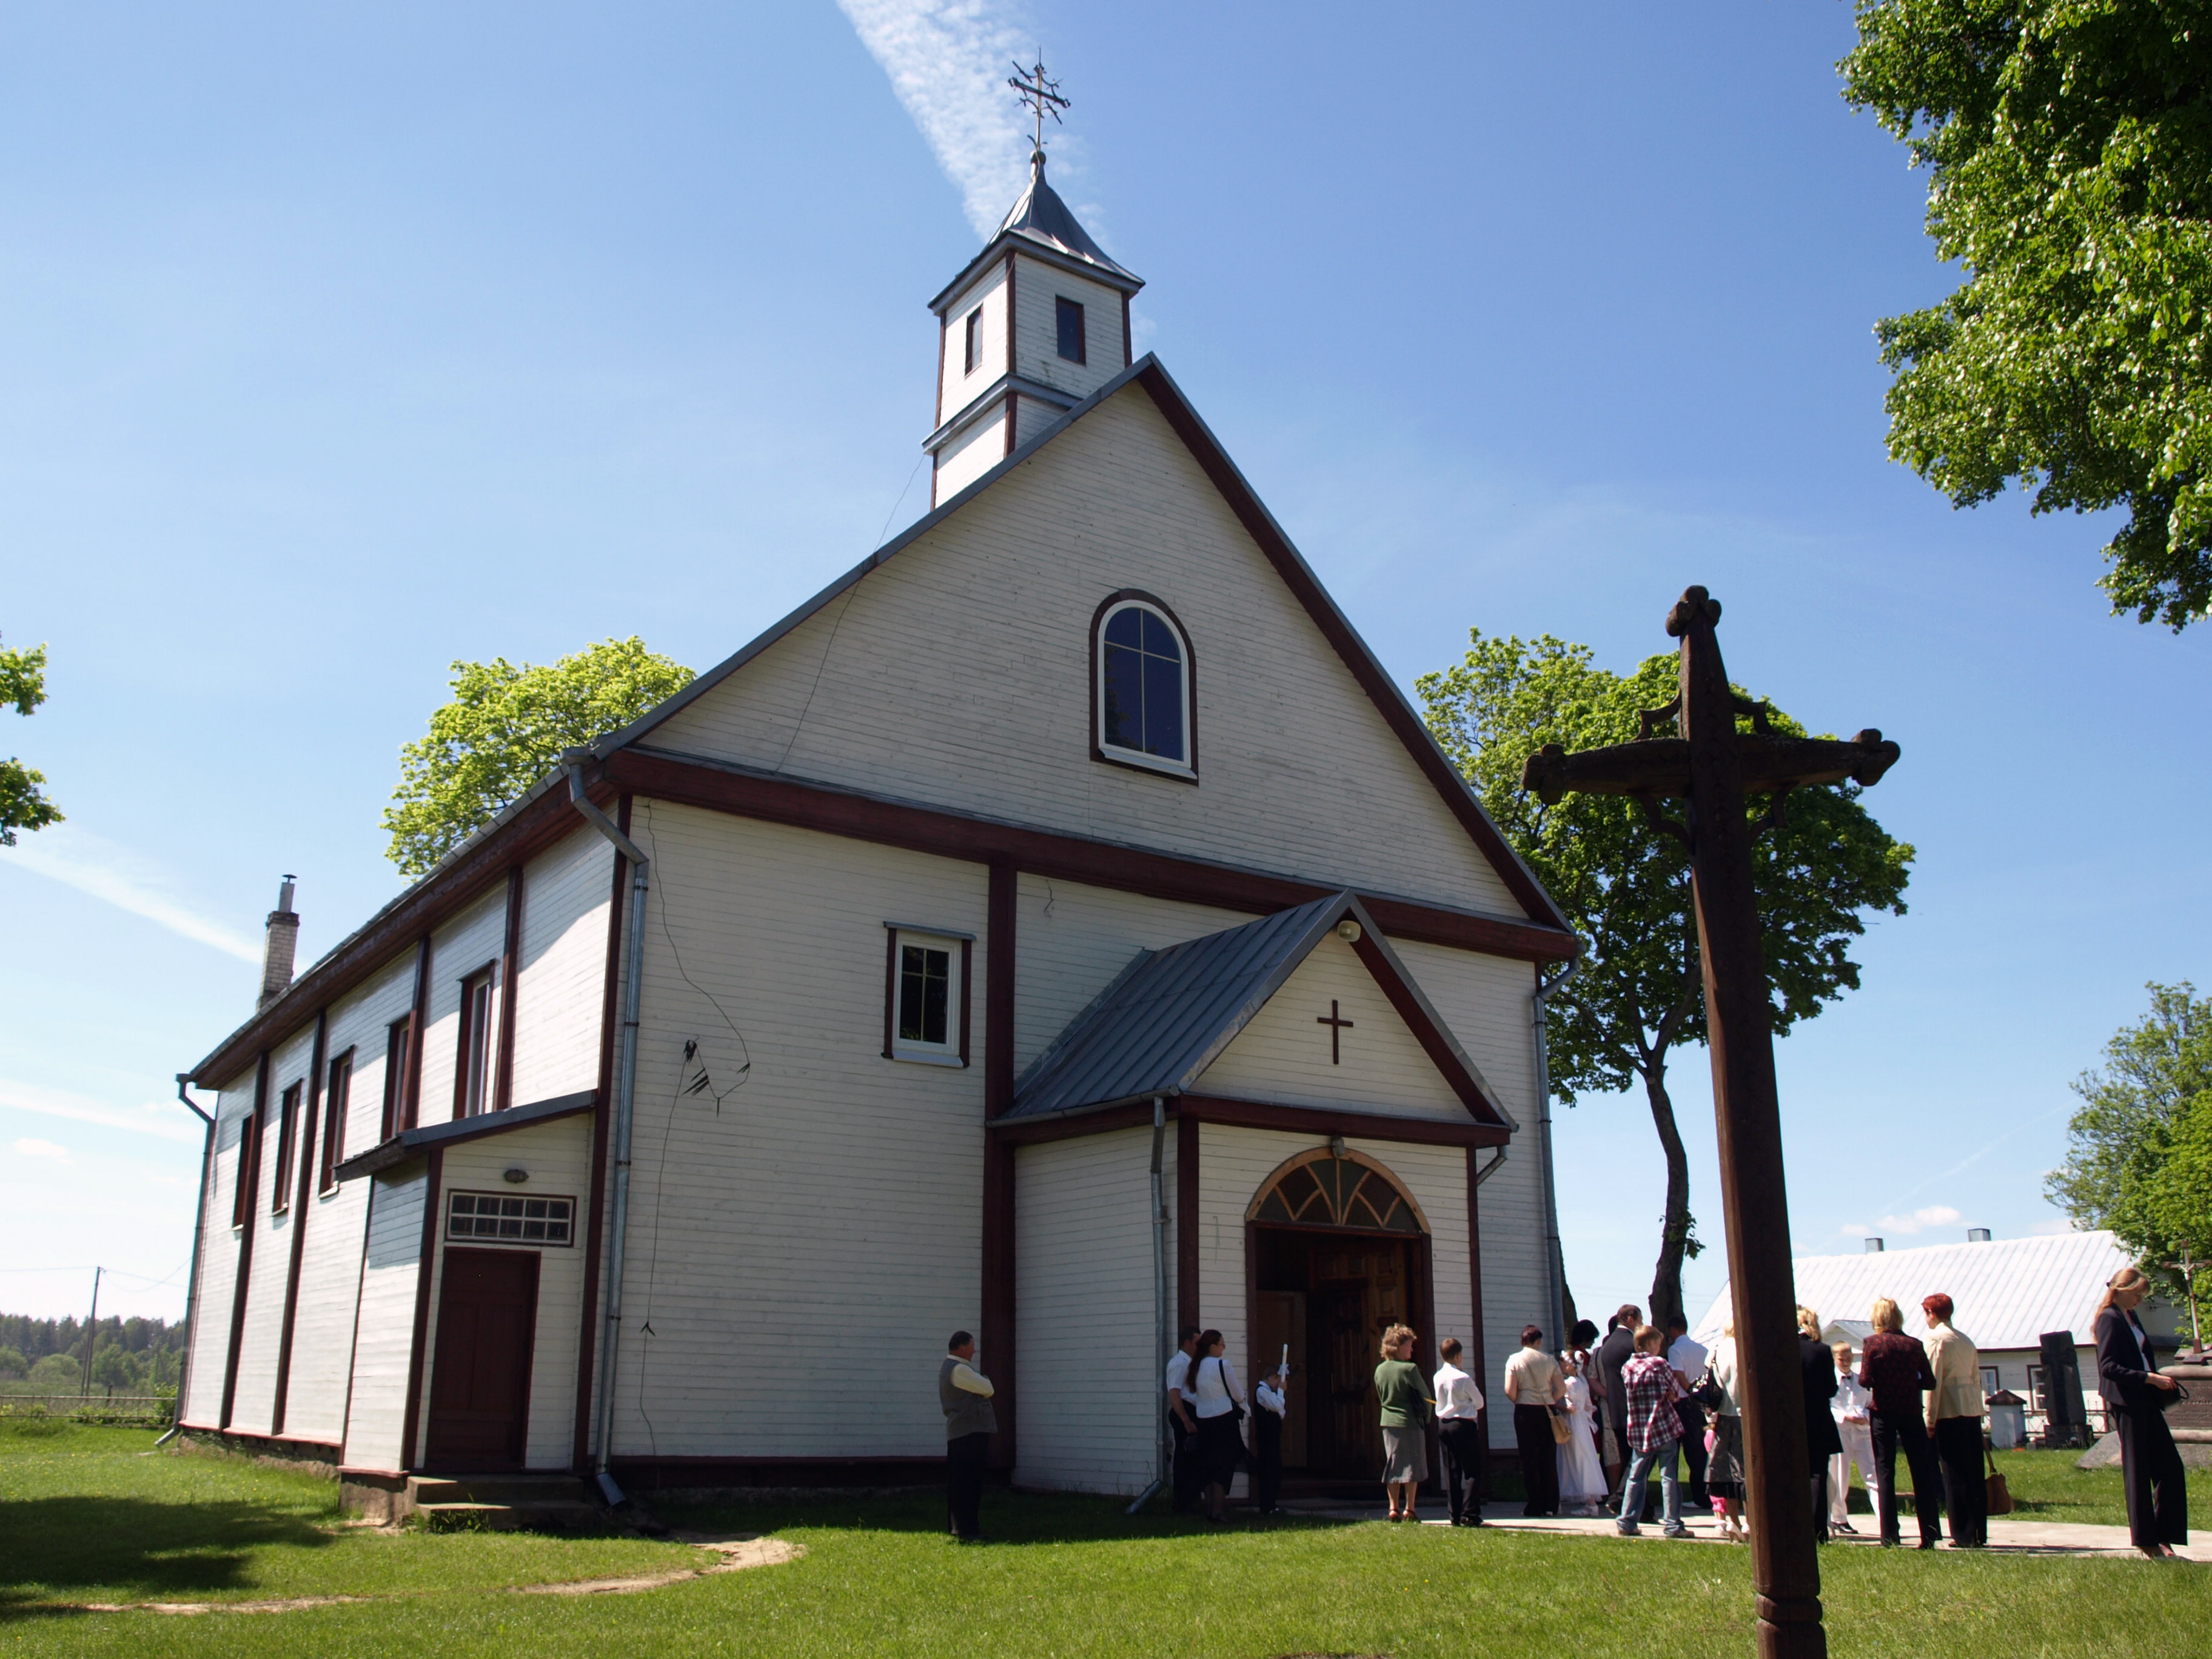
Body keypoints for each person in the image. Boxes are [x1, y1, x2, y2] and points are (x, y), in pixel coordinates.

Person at [2094, 1265, 2190, 1559]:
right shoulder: (2109, 1319)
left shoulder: (2131, 1317)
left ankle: (2166, 1535)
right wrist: (2149, 1378)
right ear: (2121, 1290)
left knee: (2170, 1468)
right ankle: (2147, 1540)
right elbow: (2108, 1367)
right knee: (2138, 1470)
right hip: (2127, 1402)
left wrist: (2155, 1380)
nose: (2139, 1300)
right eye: (2136, 1294)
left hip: (2147, 1400)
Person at [1860, 1296, 1943, 1548]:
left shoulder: (1873, 1344)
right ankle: (1929, 1533)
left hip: (1883, 1412)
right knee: (1922, 1471)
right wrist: (1910, 1382)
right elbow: (1929, 1382)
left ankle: (1890, 1536)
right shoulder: (1914, 1345)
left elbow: (1864, 1379)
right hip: (1910, 1411)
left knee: (1885, 1472)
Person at [1922, 1293, 1987, 1549]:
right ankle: (1978, 1530)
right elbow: (1976, 1376)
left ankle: (1962, 1533)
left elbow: (1932, 1381)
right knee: (1973, 1472)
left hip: (1949, 1409)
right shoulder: (1965, 1339)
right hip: (1971, 1407)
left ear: (1931, 1313)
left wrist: (1929, 1417)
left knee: (1954, 1474)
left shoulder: (1935, 1339)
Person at [1614, 1324, 1691, 1538]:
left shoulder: (1627, 1367)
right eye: (1658, 1343)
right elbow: (1674, 1392)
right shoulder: (1660, 1364)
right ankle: (1673, 1524)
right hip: (1662, 1425)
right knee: (1669, 1477)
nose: (1660, 1347)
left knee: (1636, 1476)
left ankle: (1627, 1521)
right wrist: (1668, 1395)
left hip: (1639, 1429)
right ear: (1650, 1344)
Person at [940, 1330, 996, 1544]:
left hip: (961, 1433)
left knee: (960, 1483)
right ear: (962, 1348)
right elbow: (989, 1389)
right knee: (969, 1483)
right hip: (969, 1433)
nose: (974, 1350)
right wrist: (985, 1379)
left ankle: (959, 1527)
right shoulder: (960, 1369)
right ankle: (968, 1530)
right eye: (972, 1346)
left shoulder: (951, 1368)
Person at [1504, 1323, 1563, 1517]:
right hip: (1546, 1410)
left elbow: (1509, 1390)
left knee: (1529, 1458)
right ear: (1538, 1341)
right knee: (1548, 1457)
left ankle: (1534, 1504)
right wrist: (1549, 1401)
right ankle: (1551, 1504)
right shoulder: (1549, 1360)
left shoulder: (1514, 1360)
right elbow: (1561, 1389)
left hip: (1524, 1411)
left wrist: (1519, 1400)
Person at [1188, 1329, 1246, 1524]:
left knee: (1208, 1464)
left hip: (1203, 1418)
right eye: (1222, 1344)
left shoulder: (1196, 1366)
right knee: (1223, 1465)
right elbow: (1237, 1395)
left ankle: (1210, 1509)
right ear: (1213, 1346)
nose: (1224, 1348)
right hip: (1223, 1419)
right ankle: (1218, 1511)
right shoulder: (1223, 1365)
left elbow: (1194, 1394)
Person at [1375, 1323, 1432, 1521]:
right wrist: (1427, 1419)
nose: (1412, 1349)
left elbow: (1381, 1396)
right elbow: (1426, 1398)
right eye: (1409, 1345)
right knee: (1412, 1466)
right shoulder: (1410, 1369)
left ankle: (1392, 1508)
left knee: (1393, 1463)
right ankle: (1410, 1508)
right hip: (1410, 1422)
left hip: (1388, 1423)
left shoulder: (1380, 1370)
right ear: (1398, 1347)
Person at [1795, 1306, 1842, 1543]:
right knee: (1818, 1474)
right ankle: (1818, 1530)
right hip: (1819, 1418)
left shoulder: (1786, 1349)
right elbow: (1831, 1388)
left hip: (1792, 1419)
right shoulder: (1822, 1351)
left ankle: (1795, 1527)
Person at [1433, 1336, 1486, 1526]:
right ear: (1458, 1355)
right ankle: (1470, 1513)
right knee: (1472, 1470)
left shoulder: (1437, 1376)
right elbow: (1479, 1402)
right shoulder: (1463, 1378)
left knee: (1451, 1471)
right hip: (1463, 1424)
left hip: (1444, 1424)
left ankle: (1454, 1514)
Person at [1828, 1341, 1879, 1535]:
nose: (1846, 1362)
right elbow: (1829, 1407)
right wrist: (1845, 1417)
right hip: (1841, 1431)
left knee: (1873, 1474)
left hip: (1862, 1432)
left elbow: (1870, 1403)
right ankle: (1839, 1518)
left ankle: (1885, 1519)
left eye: (1849, 1358)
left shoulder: (1861, 1381)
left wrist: (1865, 1418)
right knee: (1841, 1475)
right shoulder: (1831, 1382)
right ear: (1835, 1359)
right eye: (1842, 1359)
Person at [1666, 1312, 1711, 1513]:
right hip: (1703, 1401)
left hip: (1686, 1402)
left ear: (1673, 1331)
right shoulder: (1702, 1349)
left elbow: (1678, 1374)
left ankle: (1699, 1496)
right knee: (1702, 1449)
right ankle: (1706, 1492)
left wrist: (1690, 1391)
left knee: (1690, 1452)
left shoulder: (1676, 1350)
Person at [1706, 1316, 1746, 1543]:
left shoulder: (1717, 1348)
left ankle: (1733, 1521)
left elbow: (1712, 1380)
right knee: (1747, 1471)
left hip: (1723, 1414)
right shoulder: (1746, 1345)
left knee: (1728, 1473)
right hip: (1745, 1414)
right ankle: (1750, 1521)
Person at [1556, 1350, 1607, 1516]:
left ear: (1570, 1365)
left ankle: (1589, 1502)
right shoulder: (1582, 1381)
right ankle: (1589, 1501)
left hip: (1573, 1423)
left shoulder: (1570, 1383)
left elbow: (1571, 1407)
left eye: (1563, 1362)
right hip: (1582, 1424)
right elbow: (1587, 1406)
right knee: (1584, 1457)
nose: (1561, 1365)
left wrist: (1558, 1406)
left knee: (1577, 1459)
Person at [1597, 1305, 1640, 1506]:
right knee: (1639, 1460)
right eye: (1639, 1319)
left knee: (1627, 1457)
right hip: (1633, 1409)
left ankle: (1635, 1505)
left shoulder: (1608, 1346)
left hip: (1615, 1410)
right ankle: (1622, 1496)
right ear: (1630, 1318)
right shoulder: (1632, 1344)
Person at [1165, 1325, 1201, 1513]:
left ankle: (1191, 1500)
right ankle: (1181, 1503)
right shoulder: (1179, 1363)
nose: (1200, 1346)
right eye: (1197, 1343)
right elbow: (1175, 1393)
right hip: (1183, 1413)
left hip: (1192, 1411)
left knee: (1193, 1458)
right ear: (1187, 1343)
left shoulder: (1191, 1363)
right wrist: (1186, 1420)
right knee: (1184, 1457)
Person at [1252, 1358, 1289, 1517]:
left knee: (1275, 1471)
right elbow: (1277, 1406)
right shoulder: (1262, 1391)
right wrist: (1281, 1392)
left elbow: (1281, 1412)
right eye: (1277, 1381)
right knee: (1268, 1471)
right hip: (1266, 1439)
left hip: (1273, 1439)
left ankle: (1272, 1503)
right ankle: (1267, 1506)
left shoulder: (1270, 1393)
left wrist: (1279, 1396)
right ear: (1271, 1378)